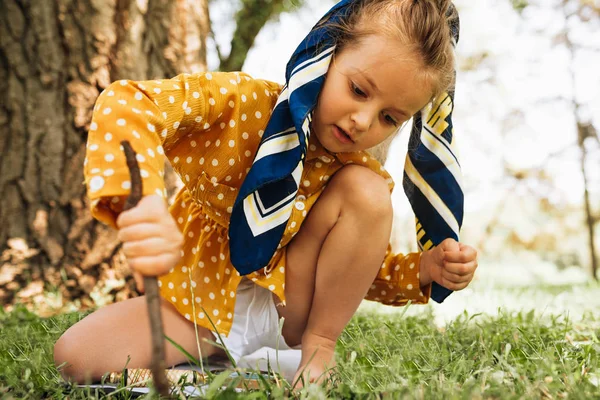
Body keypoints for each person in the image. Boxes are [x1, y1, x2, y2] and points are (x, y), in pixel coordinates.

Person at [54, 0, 478, 386]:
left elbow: (357, 269)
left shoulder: (355, 172)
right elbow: (130, 101)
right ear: (325, 53)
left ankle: (315, 353)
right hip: (199, 304)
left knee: (366, 190)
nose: (364, 121)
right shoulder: (244, 105)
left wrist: (423, 269)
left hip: (288, 313)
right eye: (358, 90)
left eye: (389, 117)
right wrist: (140, 195)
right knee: (73, 357)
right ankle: (239, 373)